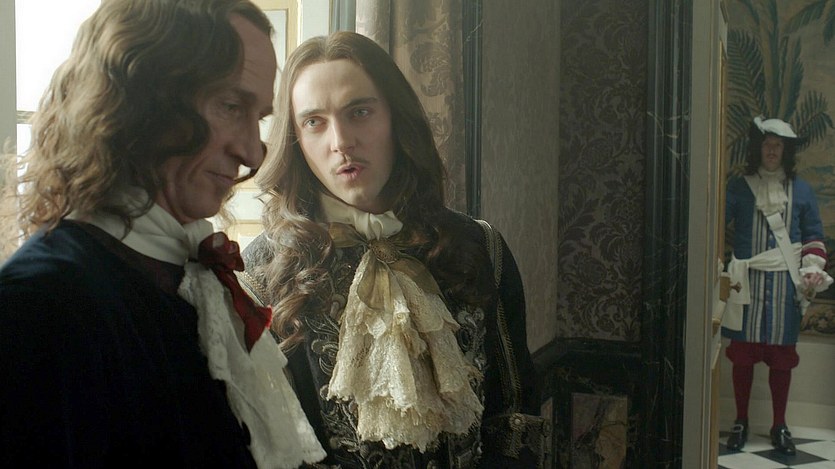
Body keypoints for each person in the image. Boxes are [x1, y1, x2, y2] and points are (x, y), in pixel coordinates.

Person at [0, 1, 326, 467]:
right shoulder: (39, 304)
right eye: (230, 106)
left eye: (257, 117)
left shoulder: (188, 278)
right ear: (139, 97)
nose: (253, 155)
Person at [238, 31, 548, 468]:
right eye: (314, 122)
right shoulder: (258, 276)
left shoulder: (481, 247)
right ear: (296, 141)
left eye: (359, 112)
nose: (341, 141)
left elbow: (513, 414)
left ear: (396, 118)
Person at [722, 116, 832, 455]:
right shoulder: (739, 187)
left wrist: (812, 269)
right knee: (742, 355)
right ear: (758, 148)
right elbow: (714, 226)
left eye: (778, 145)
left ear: (786, 151)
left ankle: (779, 423)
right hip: (746, 285)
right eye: (767, 144)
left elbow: (813, 234)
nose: (772, 151)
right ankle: (741, 420)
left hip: (785, 288)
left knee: (782, 357)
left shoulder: (802, 190)